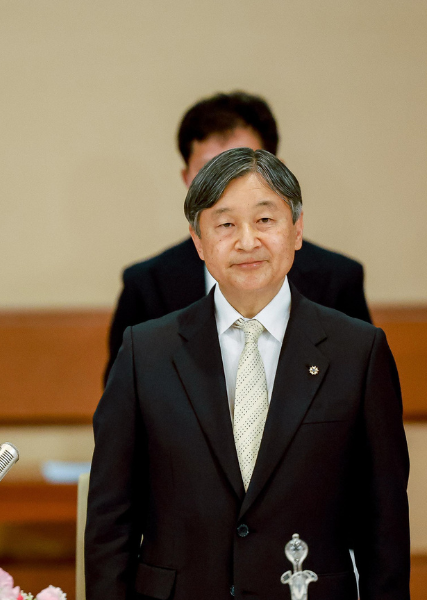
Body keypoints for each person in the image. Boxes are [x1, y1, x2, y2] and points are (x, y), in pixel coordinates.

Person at [85, 148, 409, 599]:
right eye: (225, 224)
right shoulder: (147, 352)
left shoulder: (358, 351)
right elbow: (110, 522)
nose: (247, 241)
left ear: (297, 229)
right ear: (198, 242)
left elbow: (384, 525)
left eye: (265, 220)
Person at [105, 91, 371, 380]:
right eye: (210, 170)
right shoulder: (146, 286)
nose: (229, 183)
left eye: (245, 164)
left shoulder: (337, 279)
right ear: (186, 180)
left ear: (278, 171)